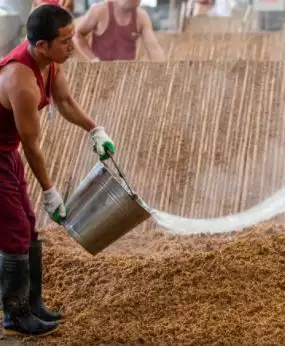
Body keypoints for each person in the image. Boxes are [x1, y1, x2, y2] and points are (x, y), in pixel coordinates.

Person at [0, 5, 115, 336]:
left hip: (6, 151)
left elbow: (64, 102)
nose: (72, 44)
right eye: (65, 40)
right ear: (41, 46)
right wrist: (50, 192)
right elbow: (32, 146)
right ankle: (15, 314)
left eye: (71, 37)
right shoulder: (20, 81)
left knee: (28, 226)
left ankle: (32, 304)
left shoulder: (49, 64)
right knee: (15, 229)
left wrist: (95, 130)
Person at [73, 0, 165, 61]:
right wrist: (94, 60)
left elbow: (154, 48)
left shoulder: (141, 17)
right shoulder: (99, 11)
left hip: (126, 76)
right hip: (100, 72)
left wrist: (164, 72)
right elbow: (78, 35)